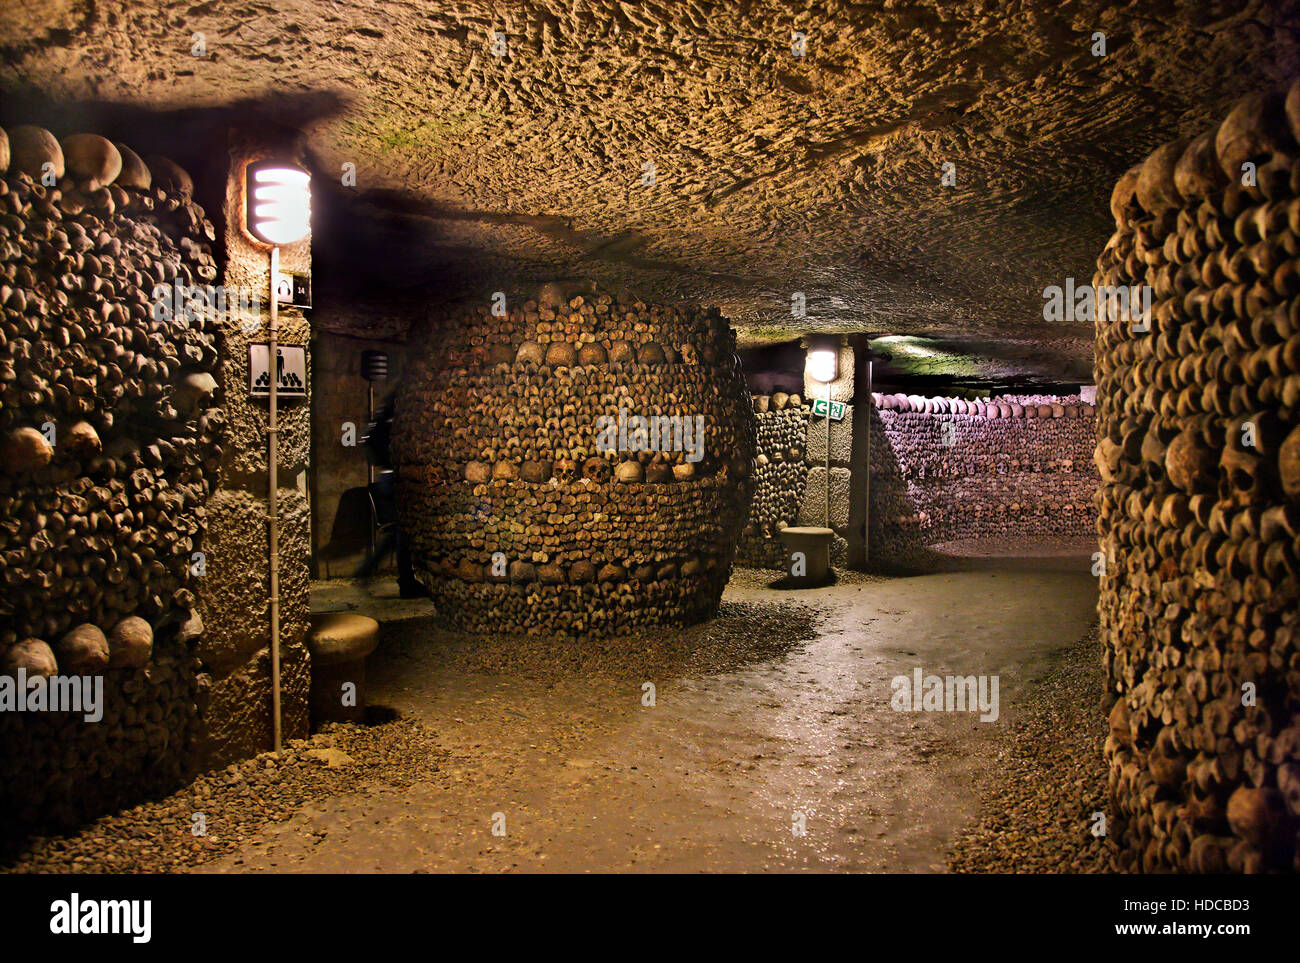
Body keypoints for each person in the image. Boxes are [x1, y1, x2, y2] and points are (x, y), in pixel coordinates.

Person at [358, 393, 426, 598]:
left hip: (388, 476)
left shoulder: (382, 418)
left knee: (397, 530)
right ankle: (406, 581)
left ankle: (369, 570)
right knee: (402, 531)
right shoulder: (393, 420)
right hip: (394, 477)